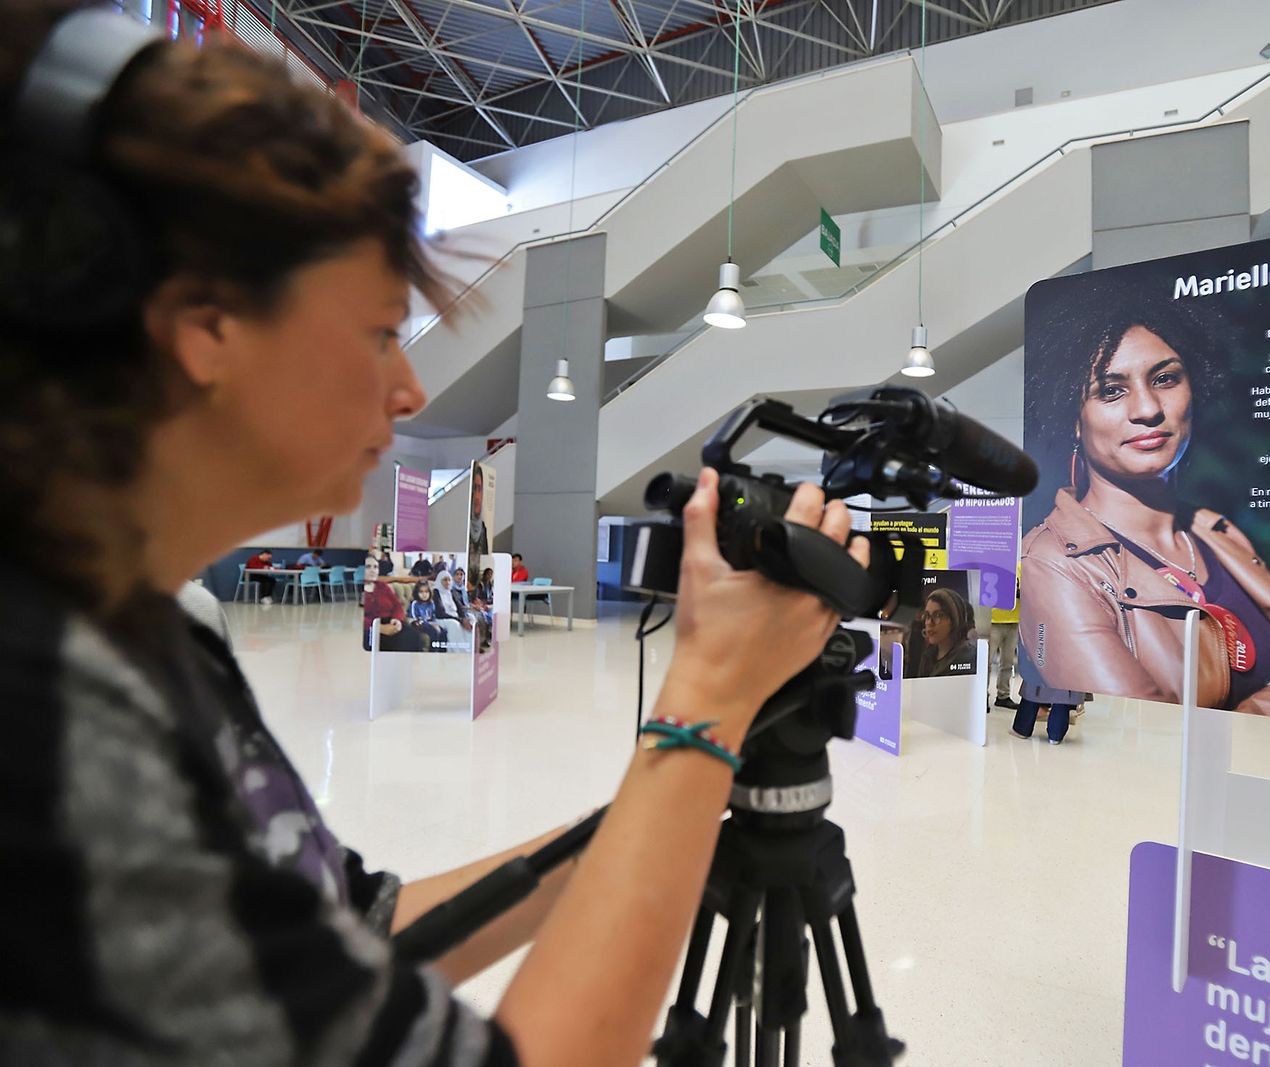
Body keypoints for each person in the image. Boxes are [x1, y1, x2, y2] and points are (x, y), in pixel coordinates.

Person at [0, 9, 866, 1064]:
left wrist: (670, 795)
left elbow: (357, 937)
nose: (409, 387)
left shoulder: (162, 628)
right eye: (379, 332)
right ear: (207, 326)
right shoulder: (50, 712)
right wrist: (709, 700)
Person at [1020, 286, 1270, 726]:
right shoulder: (1056, 562)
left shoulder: (1216, 533)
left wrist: (1250, 719)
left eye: (1165, 379)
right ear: (1074, 418)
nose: (1148, 408)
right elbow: (1143, 743)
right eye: (1111, 390)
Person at [362, 558, 426, 652]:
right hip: (371, 627)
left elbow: (397, 606)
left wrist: (397, 620)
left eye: (375, 567)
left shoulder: (383, 586)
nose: (372, 570)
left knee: (414, 636)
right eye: (368, 567)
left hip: (392, 621)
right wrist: (379, 628)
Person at [912, 587, 977, 678]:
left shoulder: (968, 657)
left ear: (954, 620)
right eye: (927, 615)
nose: (929, 622)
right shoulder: (927, 657)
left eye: (938, 615)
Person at [989, 568, 1021, 709]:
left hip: (1014, 620)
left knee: (1007, 662)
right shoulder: (995, 565)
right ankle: (982, 695)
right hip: (993, 620)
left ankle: (1003, 695)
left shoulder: (1020, 567)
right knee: (987, 662)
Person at [406, 579, 446, 650]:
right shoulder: (415, 603)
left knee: (443, 632)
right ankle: (433, 652)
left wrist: (434, 624)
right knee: (434, 632)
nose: (424, 594)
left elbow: (432, 616)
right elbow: (413, 618)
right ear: (417, 593)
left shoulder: (431, 603)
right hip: (418, 624)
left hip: (429, 623)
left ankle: (441, 652)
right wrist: (429, 624)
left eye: (426, 592)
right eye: (421, 592)